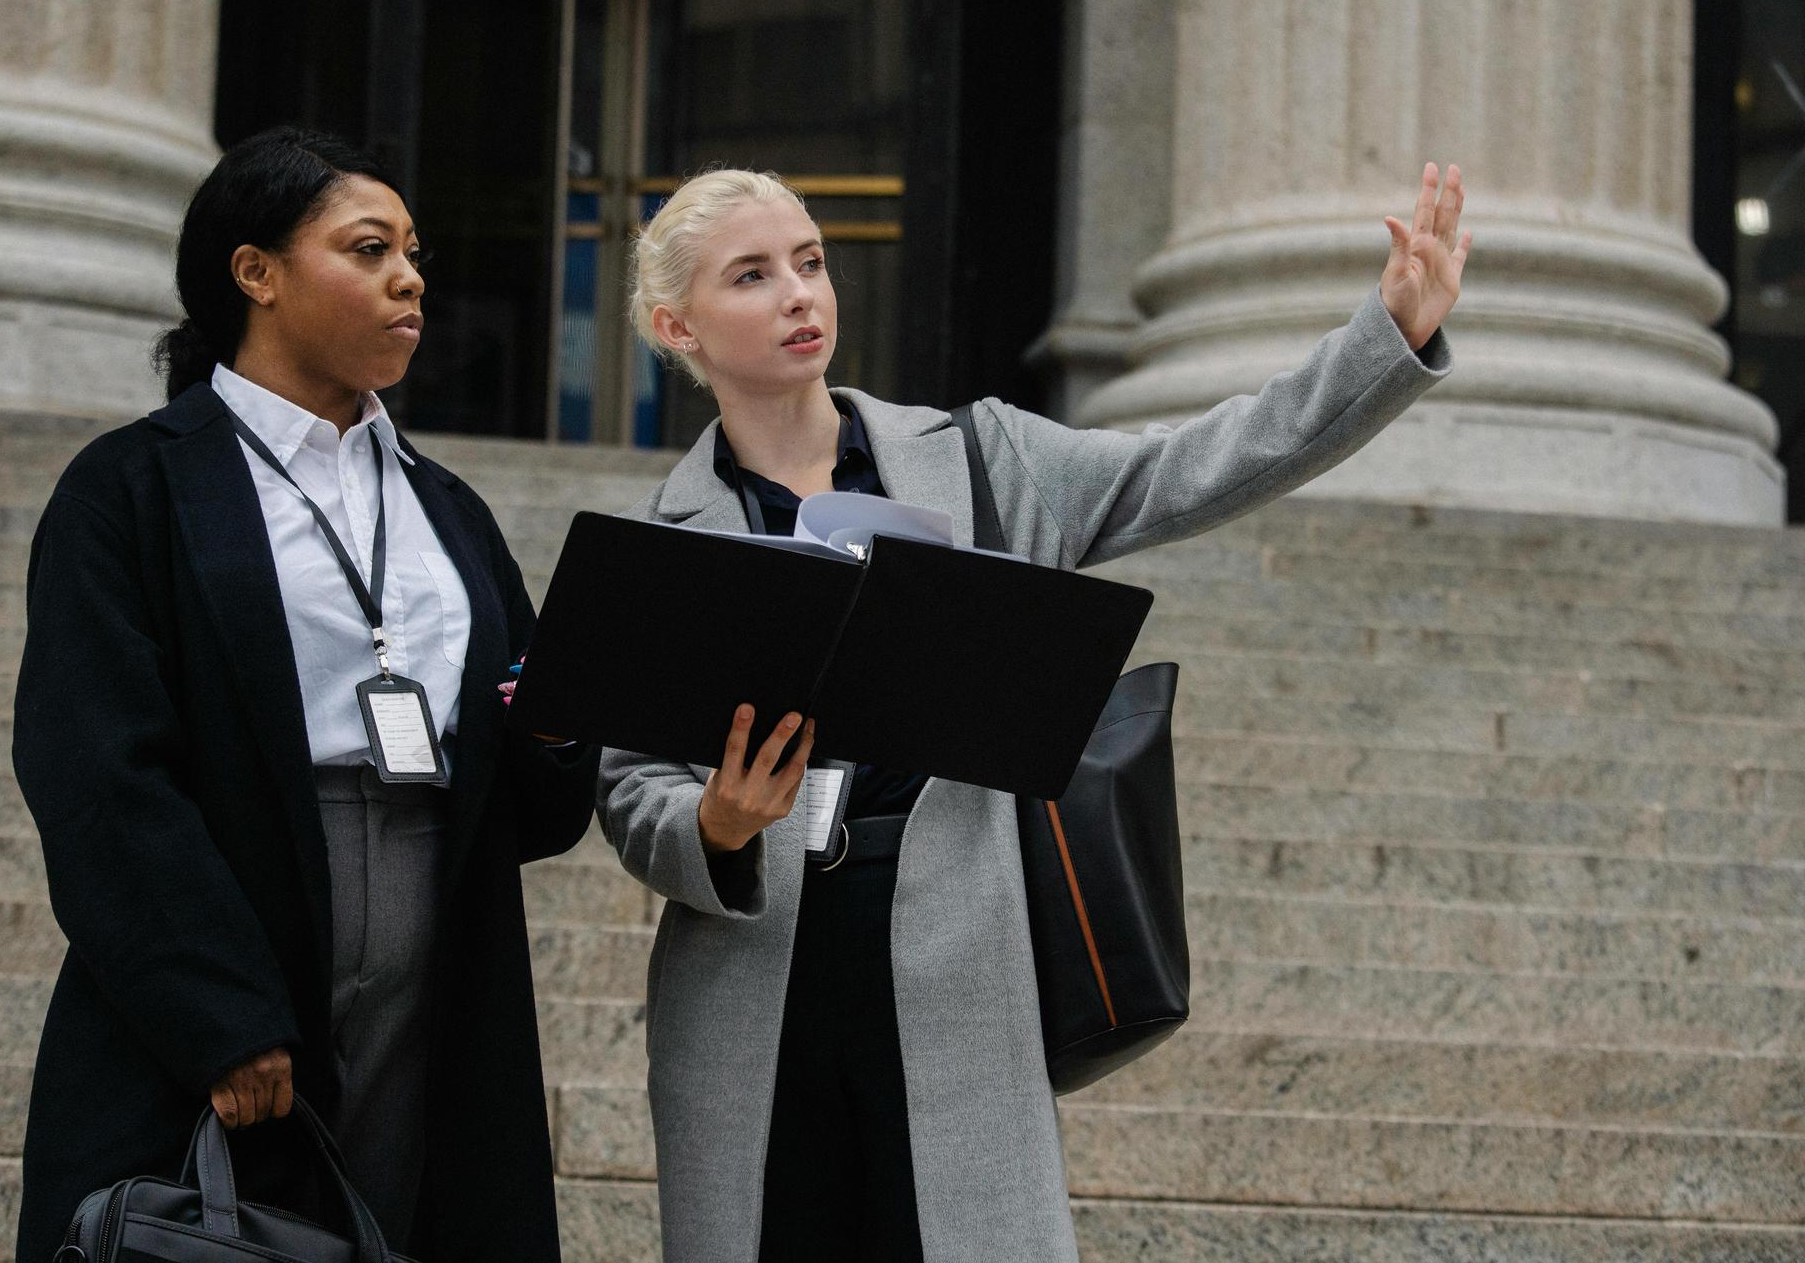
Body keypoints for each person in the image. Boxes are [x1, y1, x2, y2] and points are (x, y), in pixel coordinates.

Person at [597, 164, 1469, 1262]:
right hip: (749, 990)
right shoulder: (664, 540)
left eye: (812, 263)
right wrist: (715, 825)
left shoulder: (982, 459)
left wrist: (1383, 335)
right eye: (754, 275)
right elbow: (629, 785)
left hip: (955, 961)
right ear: (679, 324)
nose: (800, 294)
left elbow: (1191, 465)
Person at [10, 126, 599, 1261]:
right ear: (256, 272)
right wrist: (216, 1011)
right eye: (370, 248)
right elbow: (97, 772)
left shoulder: (450, 509)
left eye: (413, 253)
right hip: (240, 918)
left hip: (443, 943)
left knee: (410, 1216)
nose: (411, 277)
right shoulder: (130, 488)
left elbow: (532, 791)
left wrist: (563, 723)